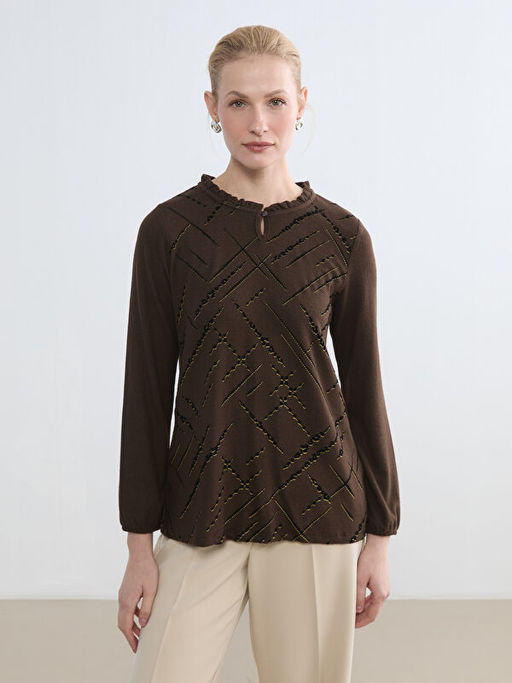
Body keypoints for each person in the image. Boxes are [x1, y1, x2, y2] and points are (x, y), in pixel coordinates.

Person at [117, 24, 400, 683]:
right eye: (238, 102)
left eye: (275, 101)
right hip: (199, 510)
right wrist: (138, 547)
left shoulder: (341, 236)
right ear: (212, 108)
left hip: (317, 510)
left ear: (302, 103)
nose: (259, 122)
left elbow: (364, 391)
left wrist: (381, 538)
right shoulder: (169, 233)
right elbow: (146, 391)